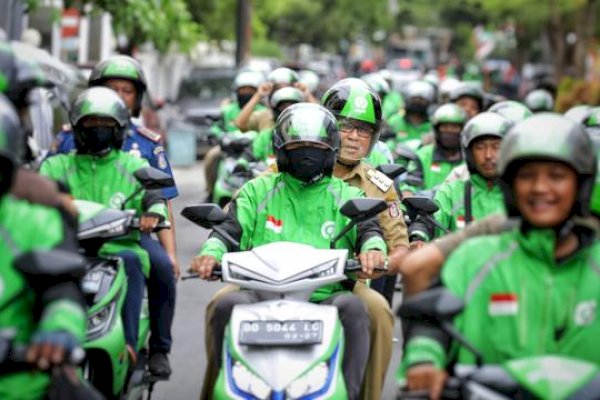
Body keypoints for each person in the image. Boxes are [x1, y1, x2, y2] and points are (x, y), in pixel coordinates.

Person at [191, 103, 387, 400]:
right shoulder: (257, 191)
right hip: (260, 295)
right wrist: (210, 254)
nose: (307, 153)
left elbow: (370, 231)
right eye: (298, 146)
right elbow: (226, 231)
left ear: (330, 151)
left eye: (316, 147)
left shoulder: (349, 195)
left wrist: (372, 251)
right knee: (223, 306)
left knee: (358, 309)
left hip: (325, 298)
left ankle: (351, 392)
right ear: (282, 150)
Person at [399, 114, 600, 399]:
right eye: (527, 175)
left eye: (556, 176)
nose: (540, 188)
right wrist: (424, 360)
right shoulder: (475, 257)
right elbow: (430, 323)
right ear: (511, 186)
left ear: (580, 185)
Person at [49, 55, 177, 376]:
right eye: (110, 88)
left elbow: (158, 197)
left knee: (156, 266)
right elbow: (41, 187)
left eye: (126, 90)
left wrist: (160, 231)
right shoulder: (62, 151)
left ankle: (146, 346)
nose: (117, 96)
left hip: (124, 237)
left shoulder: (139, 154)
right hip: (69, 239)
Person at [322, 78, 409, 399]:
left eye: (364, 130)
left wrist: (378, 262)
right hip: (277, 279)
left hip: (346, 281)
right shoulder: (291, 167)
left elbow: (400, 247)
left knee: (380, 312)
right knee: (225, 304)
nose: (355, 137)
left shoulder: (379, 184)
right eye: (346, 127)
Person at [0, 94, 88, 400]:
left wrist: (59, 328)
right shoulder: (56, 162)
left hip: (22, 384)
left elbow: (63, 290)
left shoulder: (34, 222)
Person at [428, 112, 512, 236]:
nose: (488, 155)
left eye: (496, 147)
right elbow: (433, 223)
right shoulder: (452, 191)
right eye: (480, 147)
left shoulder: (521, 193)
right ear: (469, 153)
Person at [204, 70, 266, 200]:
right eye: (243, 90)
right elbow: (217, 128)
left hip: (256, 152)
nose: (246, 93)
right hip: (229, 151)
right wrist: (218, 136)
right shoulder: (227, 110)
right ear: (236, 91)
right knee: (211, 157)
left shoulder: (263, 112)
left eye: (250, 90)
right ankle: (210, 192)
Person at [402, 103, 467, 195]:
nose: (449, 131)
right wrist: (408, 192)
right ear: (437, 130)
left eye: (454, 127)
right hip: (428, 207)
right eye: (445, 127)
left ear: (462, 130)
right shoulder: (423, 155)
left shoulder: (470, 157)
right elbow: (411, 184)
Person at [235, 67, 316, 132]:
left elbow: (321, 122)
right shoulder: (265, 116)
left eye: (287, 87)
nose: (283, 92)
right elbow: (240, 124)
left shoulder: (305, 117)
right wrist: (258, 95)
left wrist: (307, 94)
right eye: (278, 88)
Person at [251, 86, 304, 163]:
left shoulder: (306, 137)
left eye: (292, 106)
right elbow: (250, 154)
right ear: (275, 110)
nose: (287, 111)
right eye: (283, 107)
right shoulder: (265, 135)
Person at [387, 80, 434, 149]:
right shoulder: (394, 121)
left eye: (421, 100)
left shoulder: (432, 125)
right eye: (414, 99)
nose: (417, 102)